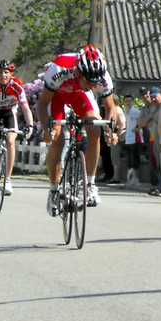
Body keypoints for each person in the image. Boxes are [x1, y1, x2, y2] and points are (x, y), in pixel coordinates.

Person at [37, 45, 117, 216]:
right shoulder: (59, 68)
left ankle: (91, 184)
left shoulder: (100, 76)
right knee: (57, 138)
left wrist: (112, 130)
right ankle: (53, 190)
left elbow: (110, 108)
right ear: (78, 73)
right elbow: (43, 103)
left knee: (95, 130)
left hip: (79, 94)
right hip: (57, 95)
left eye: (96, 82)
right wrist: (46, 129)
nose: (94, 85)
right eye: (90, 82)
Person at [0, 60, 35, 196]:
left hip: (9, 112)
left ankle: (8, 179)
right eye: (0, 72)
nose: (3, 75)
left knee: (11, 141)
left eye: (6, 72)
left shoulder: (17, 86)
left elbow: (25, 107)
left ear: (11, 74)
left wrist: (30, 125)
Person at [138, 87, 161, 194]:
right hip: (152, 136)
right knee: (155, 161)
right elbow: (141, 123)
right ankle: (157, 182)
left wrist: (151, 120)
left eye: (154, 97)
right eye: (143, 94)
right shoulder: (148, 109)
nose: (153, 99)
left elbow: (157, 122)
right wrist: (150, 116)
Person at [122, 94, 143, 187]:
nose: (128, 103)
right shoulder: (126, 111)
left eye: (130, 101)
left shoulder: (135, 111)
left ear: (133, 102)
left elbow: (141, 121)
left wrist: (137, 128)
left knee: (135, 158)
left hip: (136, 138)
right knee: (130, 159)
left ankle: (136, 178)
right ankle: (131, 178)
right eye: (126, 101)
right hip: (128, 138)